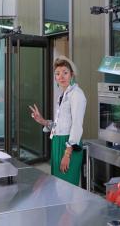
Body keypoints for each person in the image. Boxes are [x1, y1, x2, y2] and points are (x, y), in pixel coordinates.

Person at [29, 56, 87, 186]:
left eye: (65, 73)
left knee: (67, 186)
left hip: (69, 145)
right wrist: (43, 121)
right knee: (57, 187)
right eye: (57, 74)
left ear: (71, 75)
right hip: (57, 142)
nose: (61, 76)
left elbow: (77, 125)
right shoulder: (62, 95)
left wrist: (67, 154)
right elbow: (60, 124)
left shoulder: (77, 94)